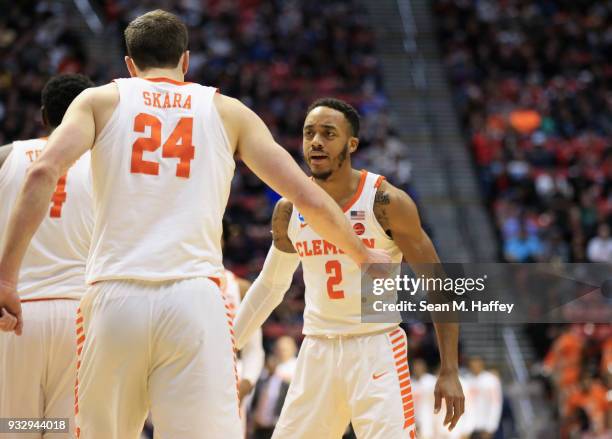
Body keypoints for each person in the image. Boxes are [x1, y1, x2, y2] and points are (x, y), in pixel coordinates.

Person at [0, 10, 389, 439]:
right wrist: (362, 253)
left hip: (111, 297)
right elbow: (304, 194)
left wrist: (6, 280)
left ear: (129, 65)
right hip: (194, 300)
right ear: (185, 61)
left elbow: (41, 175)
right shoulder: (227, 110)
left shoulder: (98, 102)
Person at [234, 98, 464, 438]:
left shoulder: (386, 202)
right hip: (317, 350)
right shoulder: (289, 208)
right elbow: (270, 285)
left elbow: (438, 284)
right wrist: (229, 345)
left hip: (375, 348)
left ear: (351, 143)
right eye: (309, 133)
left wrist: (449, 369)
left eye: (328, 134)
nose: (316, 142)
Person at [0, 74, 95, 438]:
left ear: (43, 116)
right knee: (64, 432)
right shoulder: (105, 166)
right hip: (81, 319)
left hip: (15, 313)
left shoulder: (8, 157)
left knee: (15, 430)